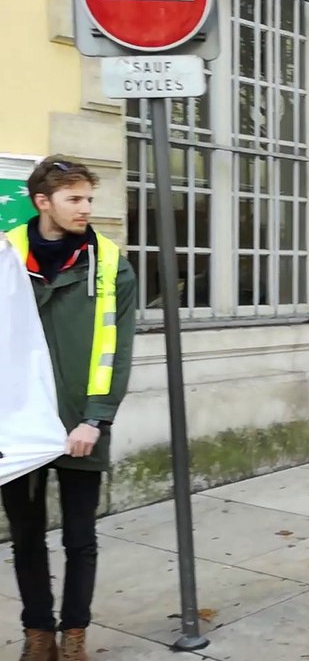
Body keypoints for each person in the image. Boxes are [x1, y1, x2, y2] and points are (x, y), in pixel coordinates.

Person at [2, 156, 138, 661]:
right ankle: (39, 635)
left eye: (88, 199)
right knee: (26, 538)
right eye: (74, 199)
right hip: (18, 425)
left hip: (83, 423)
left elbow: (117, 347)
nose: (85, 209)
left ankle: (74, 634)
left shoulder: (109, 261)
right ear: (43, 202)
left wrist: (97, 418)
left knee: (81, 539)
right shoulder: (6, 254)